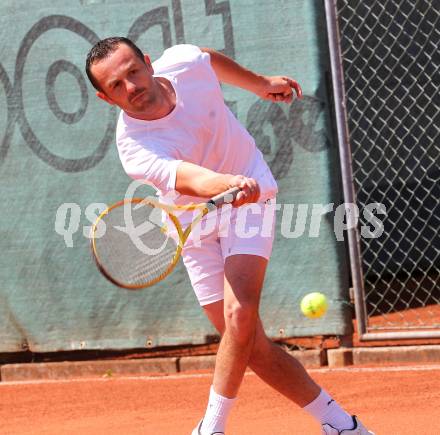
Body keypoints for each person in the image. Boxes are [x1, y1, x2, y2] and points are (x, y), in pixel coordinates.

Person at [85, 37, 374, 435]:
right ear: (106, 98)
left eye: (133, 71)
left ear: (149, 63)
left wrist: (259, 83)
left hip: (250, 197)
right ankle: (342, 426)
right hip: (194, 220)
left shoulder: (183, 64)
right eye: (116, 85)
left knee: (240, 315)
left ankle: (211, 429)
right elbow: (191, 179)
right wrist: (225, 183)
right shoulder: (133, 145)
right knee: (248, 343)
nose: (131, 86)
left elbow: (208, 60)